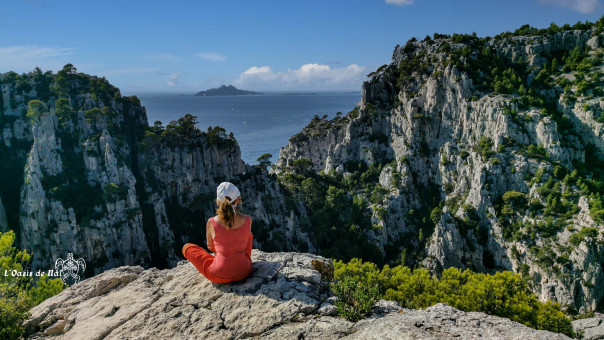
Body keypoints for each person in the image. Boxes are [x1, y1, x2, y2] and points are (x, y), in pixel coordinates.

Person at [182, 182, 253, 283]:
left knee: (187, 247)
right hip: (244, 271)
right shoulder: (248, 219)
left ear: (218, 202)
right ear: (237, 200)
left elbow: (210, 246)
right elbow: (246, 245)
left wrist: (223, 254)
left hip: (219, 274)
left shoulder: (212, 222)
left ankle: (222, 260)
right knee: (249, 236)